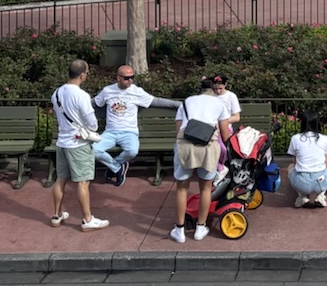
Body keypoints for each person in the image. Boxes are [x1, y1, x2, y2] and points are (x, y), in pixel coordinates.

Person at [91, 66, 180, 186]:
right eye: (126, 78)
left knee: (132, 151)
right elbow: (94, 103)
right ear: (118, 78)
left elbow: (156, 101)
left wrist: (179, 104)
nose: (130, 80)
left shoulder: (137, 91)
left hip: (129, 132)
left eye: (132, 77)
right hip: (110, 132)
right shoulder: (107, 91)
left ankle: (115, 166)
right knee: (94, 150)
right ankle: (117, 168)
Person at [170, 76, 235, 242]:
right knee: (205, 188)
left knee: (181, 188)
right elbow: (225, 133)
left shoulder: (186, 102)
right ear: (214, 90)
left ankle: (179, 231)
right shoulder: (219, 104)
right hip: (207, 146)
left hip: (185, 146)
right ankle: (200, 228)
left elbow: (178, 130)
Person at [49, 59, 109, 231]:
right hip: (78, 144)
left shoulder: (57, 93)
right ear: (82, 75)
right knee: (82, 183)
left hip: (62, 142)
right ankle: (87, 219)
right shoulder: (81, 95)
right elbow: (92, 124)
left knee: (61, 179)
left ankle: (56, 215)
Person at [286, 109, 327, 208]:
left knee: (291, 167)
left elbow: (295, 162)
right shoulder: (324, 139)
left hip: (302, 183)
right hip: (321, 182)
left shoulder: (295, 139)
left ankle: (302, 196)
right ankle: (321, 195)